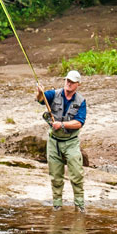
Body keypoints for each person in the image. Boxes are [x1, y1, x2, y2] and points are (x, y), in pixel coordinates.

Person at [36, 70, 87, 211]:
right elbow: (41, 100)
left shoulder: (81, 101)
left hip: (71, 142)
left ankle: (80, 205)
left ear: (78, 84)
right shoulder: (54, 94)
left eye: (72, 82)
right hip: (54, 142)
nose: (68, 83)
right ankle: (57, 205)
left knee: (76, 174)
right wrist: (40, 92)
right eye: (67, 80)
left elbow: (79, 123)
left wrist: (62, 124)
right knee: (55, 176)